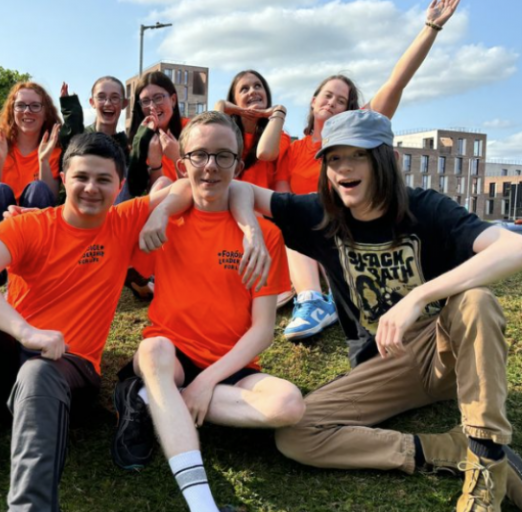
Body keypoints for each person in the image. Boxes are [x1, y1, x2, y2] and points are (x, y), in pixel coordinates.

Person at [0, 131, 271, 512]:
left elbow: (196, 182)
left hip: (70, 378)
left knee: (39, 372)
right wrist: (25, 332)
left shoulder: (123, 222)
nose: (91, 188)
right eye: (81, 177)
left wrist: (169, 214)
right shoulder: (28, 226)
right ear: (62, 179)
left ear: (119, 186)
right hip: (12, 367)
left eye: (103, 180)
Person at [236, 109, 522, 511]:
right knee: (296, 434)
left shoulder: (428, 208)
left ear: (386, 159)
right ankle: (446, 449)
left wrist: (417, 299)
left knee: (476, 300)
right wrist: (250, 226)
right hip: (381, 366)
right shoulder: (319, 215)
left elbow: (515, 247)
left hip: (440, 350)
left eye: (359, 155)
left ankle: (486, 456)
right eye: (334, 158)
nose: (344, 168)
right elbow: (240, 190)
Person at [112, 111, 304, 512]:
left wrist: (207, 382)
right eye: (200, 155)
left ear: (238, 162)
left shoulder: (264, 236)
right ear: (183, 164)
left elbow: (263, 329)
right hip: (173, 353)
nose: (211, 166)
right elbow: (97, 221)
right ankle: (203, 505)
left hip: (232, 365)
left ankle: (150, 399)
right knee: (152, 353)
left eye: (223, 156)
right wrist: (162, 211)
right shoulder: (164, 219)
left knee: (288, 405)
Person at [261, 0, 461, 341]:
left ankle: (311, 299)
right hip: (312, 240)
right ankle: (310, 297)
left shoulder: (363, 130)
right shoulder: (292, 148)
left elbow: (396, 83)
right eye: (327, 95)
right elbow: (283, 198)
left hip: (351, 236)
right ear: (312, 100)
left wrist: (431, 28)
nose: (332, 102)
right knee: (295, 220)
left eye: (341, 101)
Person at [215, 69, 294, 307]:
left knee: (271, 225)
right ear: (233, 99)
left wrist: (277, 112)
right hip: (224, 204)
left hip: (260, 209)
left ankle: (274, 285)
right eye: (244, 89)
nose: (253, 91)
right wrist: (235, 111)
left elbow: (265, 153)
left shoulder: (279, 136)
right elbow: (216, 115)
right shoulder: (226, 132)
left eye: (258, 86)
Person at [0, 81, 62, 236]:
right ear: (12, 110)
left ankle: (37, 254)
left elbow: (50, 196)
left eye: (35, 106)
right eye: (20, 105)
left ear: (45, 111)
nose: (27, 111)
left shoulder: (53, 147)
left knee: (38, 188)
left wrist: (43, 161)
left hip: (32, 226)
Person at [126, 71, 189, 199]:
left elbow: (199, 185)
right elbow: (147, 195)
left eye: (158, 98)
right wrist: (155, 164)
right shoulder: (139, 140)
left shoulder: (192, 130)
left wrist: (177, 157)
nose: (152, 106)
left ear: (173, 100)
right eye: (145, 101)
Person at [58, 76, 130, 160]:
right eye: (101, 97)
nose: (107, 103)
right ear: (92, 102)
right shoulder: (80, 138)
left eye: (115, 97)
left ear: (124, 103)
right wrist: (72, 118)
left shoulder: (126, 149)